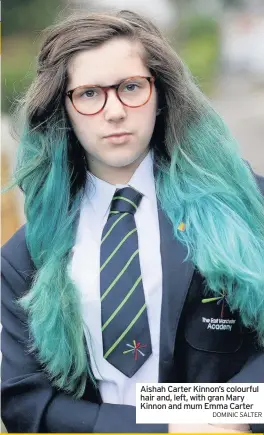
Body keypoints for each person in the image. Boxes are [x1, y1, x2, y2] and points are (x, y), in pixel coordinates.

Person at [1, 9, 264, 434]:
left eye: (130, 87)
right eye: (89, 94)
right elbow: (24, 403)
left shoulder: (245, 204)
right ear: (62, 108)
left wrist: (220, 414)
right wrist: (166, 426)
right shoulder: (26, 256)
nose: (115, 111)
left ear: (159, 92)